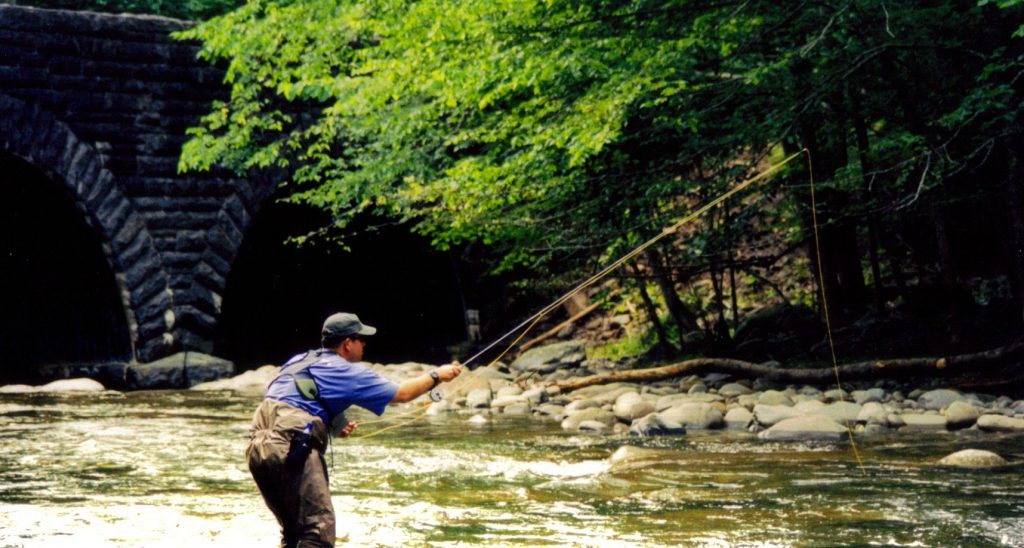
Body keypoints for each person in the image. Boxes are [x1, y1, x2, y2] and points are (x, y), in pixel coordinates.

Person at [246, 312, 462, 547]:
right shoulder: (348, 371)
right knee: (317, 531)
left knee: (294, 531)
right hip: (292, 445)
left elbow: (297, 392)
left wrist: (337, 423)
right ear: (348, 344)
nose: (365, 343)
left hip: (258, 445)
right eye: (360, 338)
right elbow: (402, 394)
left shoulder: (301, 360)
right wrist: (436, 375)